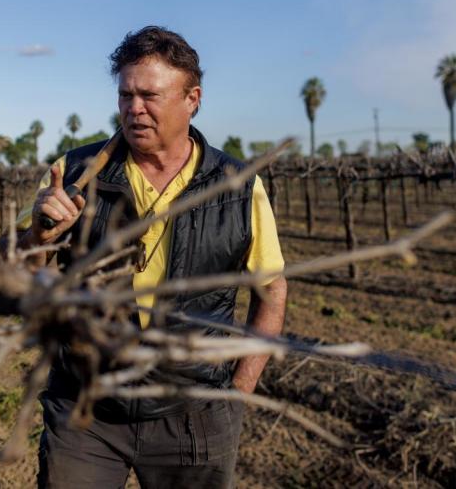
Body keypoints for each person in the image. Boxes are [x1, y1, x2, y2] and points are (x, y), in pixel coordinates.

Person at [16, 26, 287, 489]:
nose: (133, 108)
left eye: (150, 95)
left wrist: (237, 395)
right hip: (87, 413)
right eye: (125, 95)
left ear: (192, 99)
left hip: (193, 419)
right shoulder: (75, 174)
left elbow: (272, 293)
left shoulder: (238, 187)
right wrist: (40, 235)